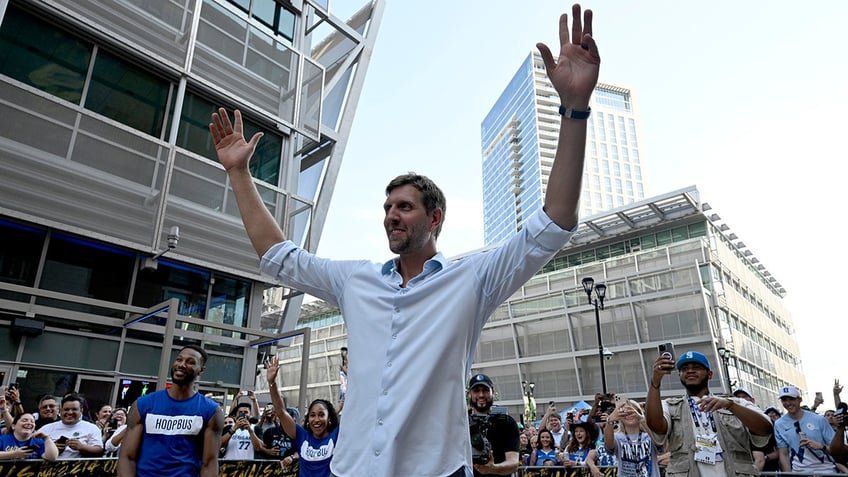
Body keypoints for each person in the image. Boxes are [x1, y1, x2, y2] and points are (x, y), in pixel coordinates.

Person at [207, 3, 599, 475]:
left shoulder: (473, 279)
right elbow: (279, 257)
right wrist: (239, 175)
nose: (391, 216)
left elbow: (554, 223)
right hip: (350, 469)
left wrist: (574, 109)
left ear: (435, 218)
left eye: (404, 207)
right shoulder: (356, 281)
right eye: (387, 208)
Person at [646, 350, 772, 476]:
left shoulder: (735, 403)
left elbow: (765, 428)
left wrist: (730, 406)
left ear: (710, 374)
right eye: (684, 369)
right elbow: (655, 425)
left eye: (696, 367)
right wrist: (655, 383)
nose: (690, 371)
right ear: (680, 376)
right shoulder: (670, 405)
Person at [118, 345, 225, 477]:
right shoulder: (143, 404)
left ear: (201, 370)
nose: (182, 365)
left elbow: (209, 463)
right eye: (179, 360)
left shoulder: (211, 411)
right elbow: (127, 457)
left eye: (190, 362)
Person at [266, 356, 339, 477]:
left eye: (321, 415)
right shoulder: (302, 436)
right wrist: (272, 383)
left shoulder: (336, 435)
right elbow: (281, 412)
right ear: (308, 419)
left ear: (329, 418)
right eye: (312, 415)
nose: (316, 420)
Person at [774, 385, 838, 474]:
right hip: (799, 472)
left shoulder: (819, 419)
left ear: (800, 400)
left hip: (826, 470)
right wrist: (789, 474)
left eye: (791, 399)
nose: (788, 403)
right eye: (784, 400)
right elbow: (783, 453)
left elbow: (837, 450)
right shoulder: (779, 424)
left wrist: (821, 446)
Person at [466, 374, 520, 476]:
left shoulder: (507, 422)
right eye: (476, 390)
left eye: (485, 390)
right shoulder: (461, 422)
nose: (481, 395)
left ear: (493, 392)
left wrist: (492, 469)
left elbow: (514, 463)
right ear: (470, 394)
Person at [602, 399, 659, 477]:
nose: (629, 415)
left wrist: (641, 418)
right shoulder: (617, 437)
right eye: (624, 413)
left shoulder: (649, 436)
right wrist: (610, 420)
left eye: (632, 412)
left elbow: (658, 442)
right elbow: (609, 445)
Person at [40, 393, 104, 459]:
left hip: (79, 467)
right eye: (66, 409)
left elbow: (99, 450)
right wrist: (52, 448)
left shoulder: (91, 428)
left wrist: (81, 447)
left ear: (81, 411)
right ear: (61, 410)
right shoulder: (46, 429)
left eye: (74, 409)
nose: (70, 412)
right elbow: (35, 449)